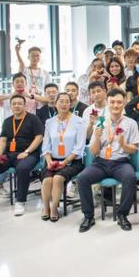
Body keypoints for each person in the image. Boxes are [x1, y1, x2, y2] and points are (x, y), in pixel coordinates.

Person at [77, 88, 139, 232]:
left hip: (121, 162)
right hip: (101, 162)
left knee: (130, 177)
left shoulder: (131, 123)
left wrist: (123, 145)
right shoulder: (100, 122)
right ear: (108, 103)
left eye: (119, 102)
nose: (115, 105)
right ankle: (88, 216)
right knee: (82, 178)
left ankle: (122, 215)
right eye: (112, 102)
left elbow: (134, 149)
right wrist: (97, 138)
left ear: (124, 102)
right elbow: (94, 152)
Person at [0, 94, 44, 216]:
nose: (17, 106)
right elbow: (3, 140)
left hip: (29, 154)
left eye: (19, 103)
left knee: (22, 168)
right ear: (11, 106)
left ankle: (20, 202)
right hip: (9, 155)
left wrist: (27, 152)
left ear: (25, 105)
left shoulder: (33, 119)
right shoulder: (7, 121)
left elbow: (39, 137)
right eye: (14, 104)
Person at [40, 92, 86, 222]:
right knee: (47, 180)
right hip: (52, 160)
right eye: (61, 101)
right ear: (55, 104)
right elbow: (46, 146)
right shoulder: (50, 122)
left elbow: (79, 147)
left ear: (70, 104)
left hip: (73, 160)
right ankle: (46, 207)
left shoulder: (79, 122)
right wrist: (49, 161)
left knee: (58, 178)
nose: (64, 104)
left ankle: (54, 208)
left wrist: (65, 162)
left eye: (67, 101)